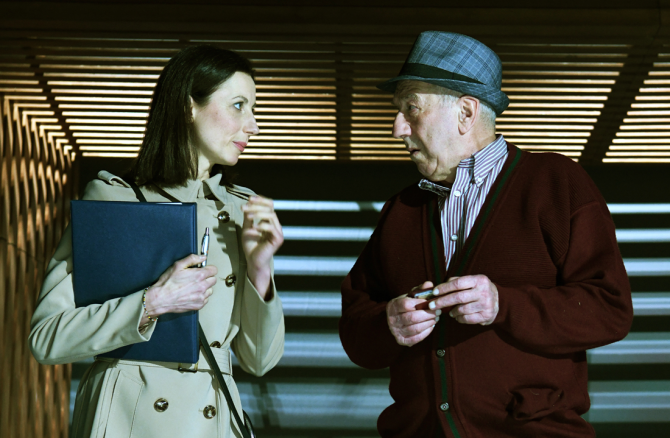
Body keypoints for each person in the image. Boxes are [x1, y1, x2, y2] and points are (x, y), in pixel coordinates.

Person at [339, 31, 633, 437]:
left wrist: (503, 304)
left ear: (465, 112)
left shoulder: (555, 183)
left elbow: (611, 310)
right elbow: (356, 329)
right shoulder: (400, 210)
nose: (397, 128)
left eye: (411, 108)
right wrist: (388, 324)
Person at [30, 45, 285, 438]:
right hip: (127, 417)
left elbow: (260, 361)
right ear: (188, 107)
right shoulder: (114, 199)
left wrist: (259, 269)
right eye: (238, 106)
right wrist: (152, 303)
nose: (253, 125)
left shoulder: (242, 211)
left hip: (213, 420)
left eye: (253, 109)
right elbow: (47, 338)